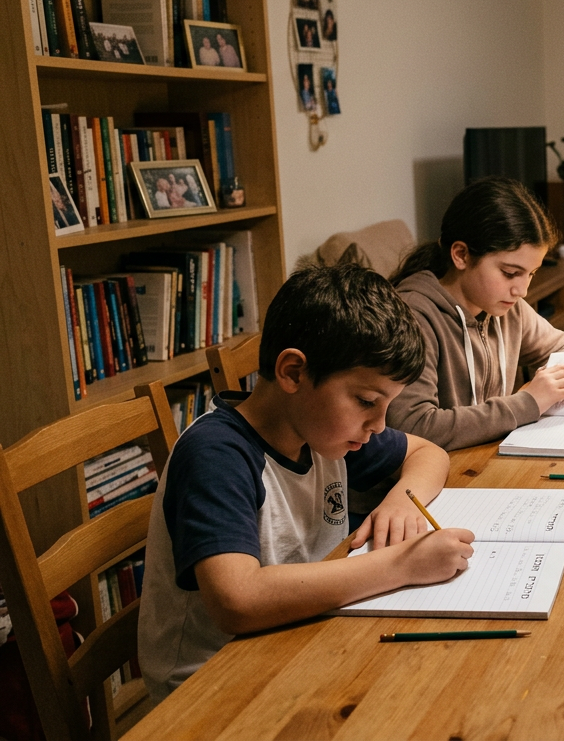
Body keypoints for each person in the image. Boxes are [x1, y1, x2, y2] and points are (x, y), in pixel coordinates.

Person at [137, 264, 475, 704]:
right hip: (210, 688)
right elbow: (237, 601)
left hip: (305, 638)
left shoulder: (320, 430)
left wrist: (403, 501)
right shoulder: (216, 454)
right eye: (366, 401)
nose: (379, 424)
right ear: (294, 373)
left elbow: (429, 453)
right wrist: (403, 565)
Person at [388, 177, 564, 451]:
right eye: (510, 273)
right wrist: (528, 402)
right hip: (437, 471)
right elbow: (414, 426)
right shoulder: (413, 317)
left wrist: (551, 383)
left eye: (531, 273)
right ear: (461, 255)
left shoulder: (507, 308)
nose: (522, 290)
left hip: (487, 458)